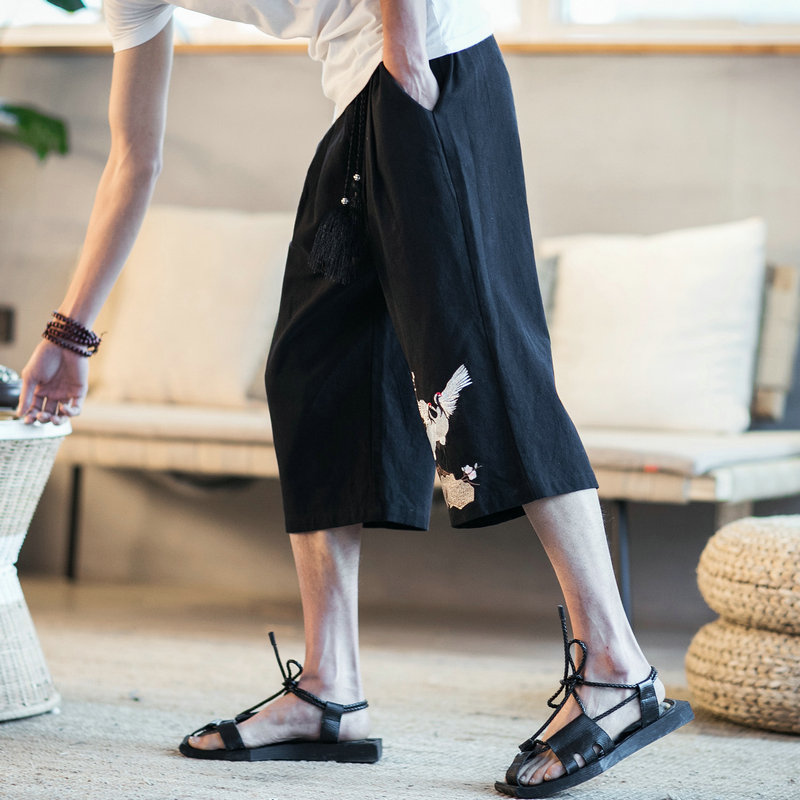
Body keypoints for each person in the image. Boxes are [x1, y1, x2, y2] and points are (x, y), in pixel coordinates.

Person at [16, 1, 692, 796]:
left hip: (427, 65)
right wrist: (71, 333)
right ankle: (329, 692)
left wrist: (407, 62)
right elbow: (135, 159)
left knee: (480, 363)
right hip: (367, 101)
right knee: (316, 371)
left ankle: (616, 668)